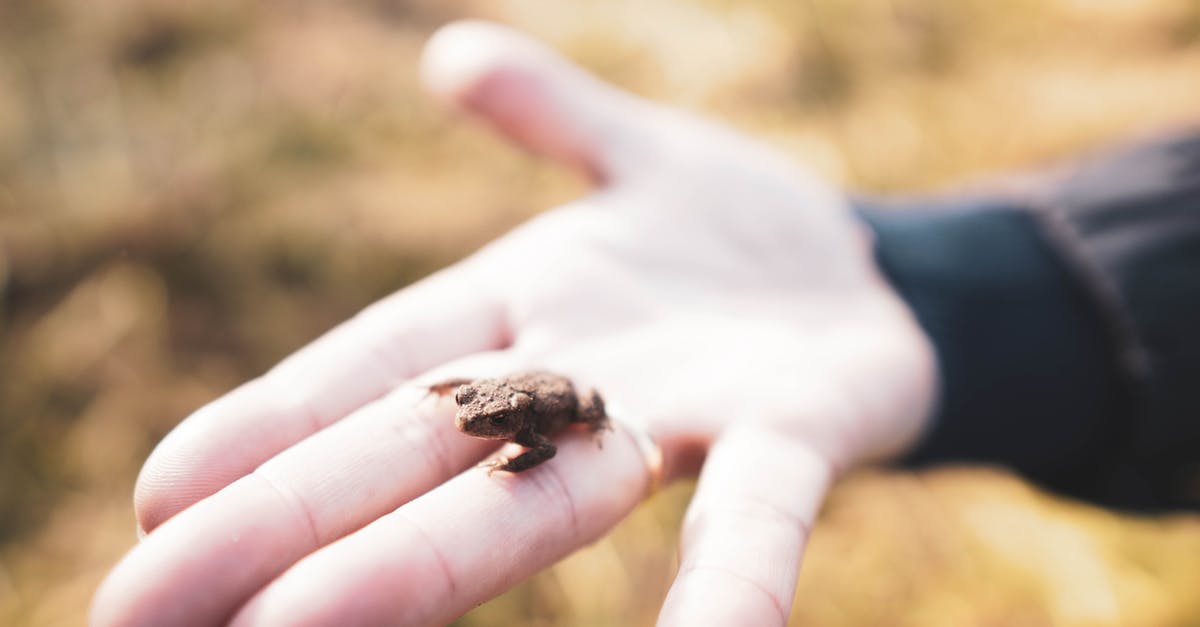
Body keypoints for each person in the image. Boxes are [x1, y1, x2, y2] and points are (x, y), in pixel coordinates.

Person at [89, 20, 1200, 626]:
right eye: (480, 412)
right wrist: (1008, 295)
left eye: (482, 413)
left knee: (563, 406)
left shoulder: (542, 417)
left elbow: (543, 417)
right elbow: (497, 405)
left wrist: (537, 447)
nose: (481, 419)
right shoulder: (492, 405)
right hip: (562, 384)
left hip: (582, 401)